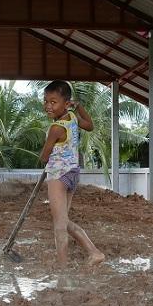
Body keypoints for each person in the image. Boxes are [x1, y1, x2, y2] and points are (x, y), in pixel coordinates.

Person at [39, 81, 105, 266]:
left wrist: (46, 156)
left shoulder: (56, 128)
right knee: (63, 220)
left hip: (58, 177)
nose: (48, 106)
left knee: (59, 226)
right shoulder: (73, 118)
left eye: (53, 102)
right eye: (46, 101)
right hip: (73, 173)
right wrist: (79, 107)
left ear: (66, 103)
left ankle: (62, 268)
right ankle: (93, 252)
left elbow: (44, 156)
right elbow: (90, 125)